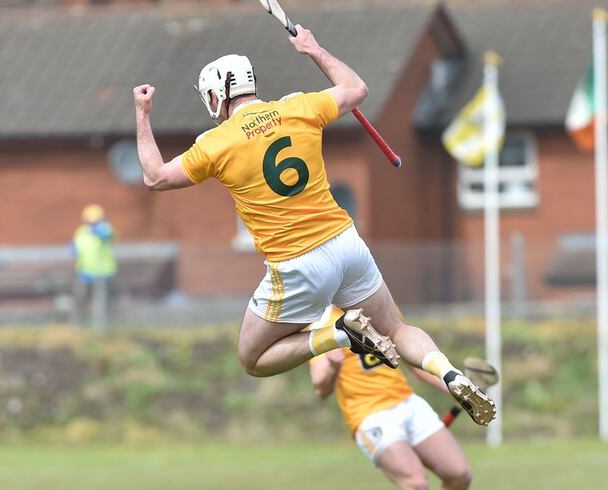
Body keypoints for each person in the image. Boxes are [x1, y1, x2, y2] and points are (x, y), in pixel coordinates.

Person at [132, 25, 495, 425]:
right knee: (395, 327)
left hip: (297, 263)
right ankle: (448, 371)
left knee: (252, 357)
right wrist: (314, 49)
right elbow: (356, 89)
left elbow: (155, 177)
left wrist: (142, 113)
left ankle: (340, 334)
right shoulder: (298, 107)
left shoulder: (216, 143)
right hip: (345, 242)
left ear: (218, 96)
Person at [309, 308, 493, 490]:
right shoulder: (323, 322)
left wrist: (458, 391)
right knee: (415, 484)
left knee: (459, 475)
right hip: (370, 416)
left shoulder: (375, 305)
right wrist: (333, 367)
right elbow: (320, 389)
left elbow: (416, 362)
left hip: (407, 404)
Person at [72, 203, 117, 329]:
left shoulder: (106, 229)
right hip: (84, 273)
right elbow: (77, 247)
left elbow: (109, 236)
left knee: (101, 304)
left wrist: (100, 231)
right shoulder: (81, 232)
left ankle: (101, 329)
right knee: (81, 301)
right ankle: (79, 327)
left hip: (102, 273)